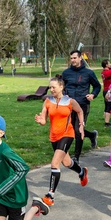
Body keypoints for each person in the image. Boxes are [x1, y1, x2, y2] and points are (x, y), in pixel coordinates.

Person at [35, 75, 88, 206]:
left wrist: (81, 126)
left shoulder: (70, 101)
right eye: (50, 87)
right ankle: (81, 172)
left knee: (54, 164)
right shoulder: (47, 101)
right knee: (66, 162)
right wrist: (40, 120)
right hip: (54, 136)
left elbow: (80, 111)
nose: (51, 89)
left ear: (61, 87)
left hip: (67, 134)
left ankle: (50, 196)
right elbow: (44, 120)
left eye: (53, 87)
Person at [61, 50, 101, 160]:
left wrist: (93, 94)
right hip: (69, 105)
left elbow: (97, 86)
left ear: (80, 58)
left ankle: (76, 157)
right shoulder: (66, 73)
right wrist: (64, 95)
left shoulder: (88, 73)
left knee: (78, 130)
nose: (73, 60)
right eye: (71, 58)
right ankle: (92, 135)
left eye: (75, 58)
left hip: (82, 105)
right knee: (71, 129)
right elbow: (61, 86)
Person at [100, 59, 111, 127]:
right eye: (109, 63)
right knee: (109, 106)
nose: (110, 64)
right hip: (109, 91)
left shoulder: (103, 72)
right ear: (106, 65)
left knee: (107, 105)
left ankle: (106, 120)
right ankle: (107, 122)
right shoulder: (108, 72)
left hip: (105, 90)